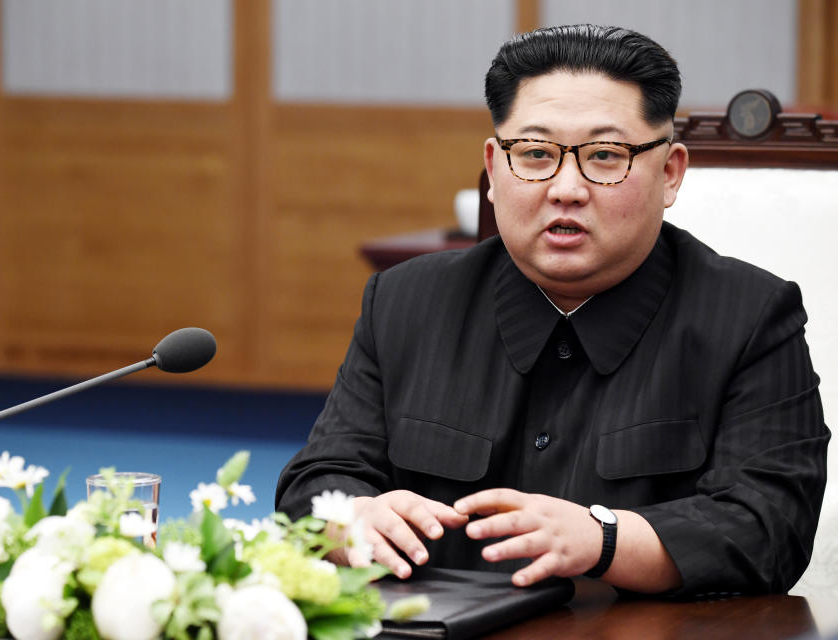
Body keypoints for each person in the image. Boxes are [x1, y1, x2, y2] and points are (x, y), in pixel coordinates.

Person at [275, 24, 829, 597]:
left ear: (670, 173)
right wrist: (351, 520)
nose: (566, 188)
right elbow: (316, 482)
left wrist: (604, 539)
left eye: (605, 156)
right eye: (536, 154)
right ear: (493, 169)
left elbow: (771, 526)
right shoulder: (405, 302)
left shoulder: (751, 317)